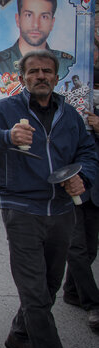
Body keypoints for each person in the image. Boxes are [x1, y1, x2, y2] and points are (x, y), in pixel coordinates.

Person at [0, 50, 98, 348]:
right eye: (34, 71)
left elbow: (88, 153)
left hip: (62, 212)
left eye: (47, 71)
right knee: (36, 296)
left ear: (56, 77)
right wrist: (7, 137)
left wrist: (84, 177)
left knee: (50, 288)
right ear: (22, 77)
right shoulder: (5, 110)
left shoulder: (70, 116)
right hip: (21, 209)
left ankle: (18, 336)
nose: (41, 76)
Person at [61, 108, 99, 332]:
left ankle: (72, 291)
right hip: (71, 189)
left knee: (90, 249)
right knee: (77, 249)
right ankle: (93, 304)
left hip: (94, 192)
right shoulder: (66, 114)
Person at [0, 0, 74, 80]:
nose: (36, 25)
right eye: (29, 15)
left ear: (52, 23)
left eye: (44, 16)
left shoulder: (67, 64)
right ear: (18, 19)